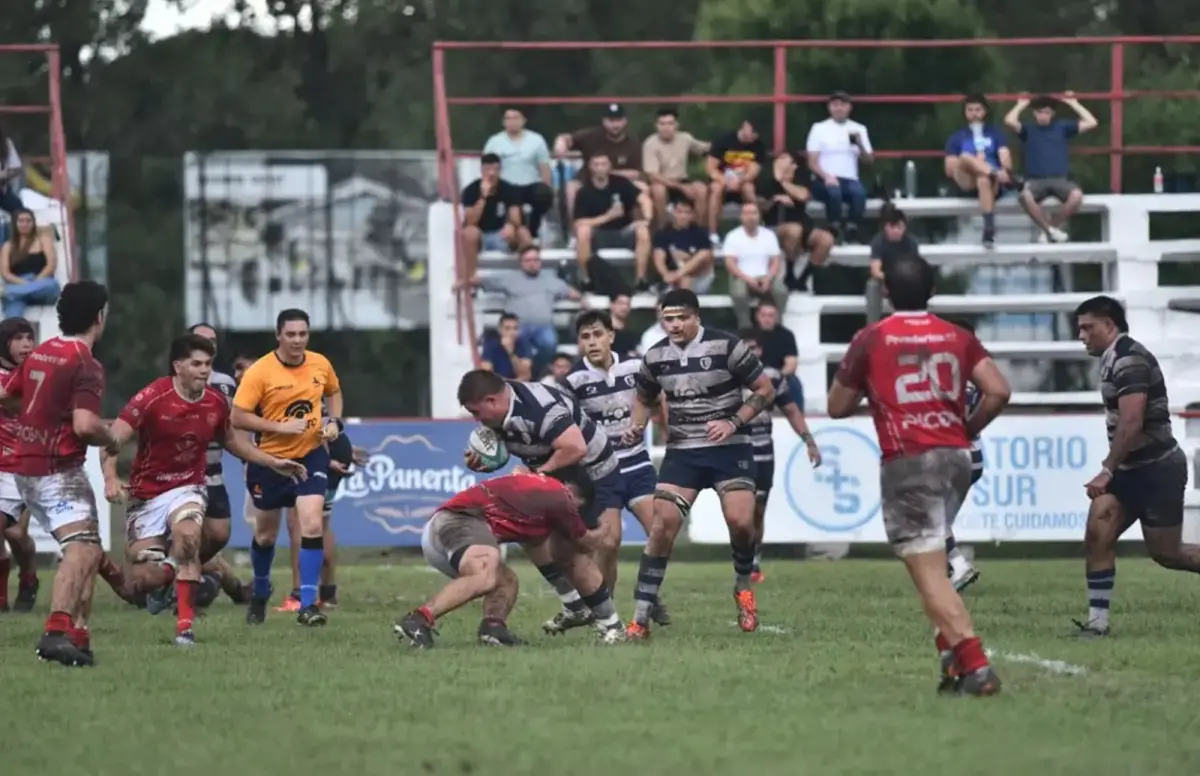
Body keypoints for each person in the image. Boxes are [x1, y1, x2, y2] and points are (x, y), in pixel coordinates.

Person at [826, 254, 1009, 696]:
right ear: (932, 293)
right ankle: (951, 664)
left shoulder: (872, 338)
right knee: (934, 564)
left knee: (927, 571)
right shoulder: (958, 335)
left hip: (909, 458)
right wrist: (967, 428)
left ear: (886, 292)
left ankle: (976, 664)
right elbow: (999, 389)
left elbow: (837, 406)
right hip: (958, 457)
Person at [101, 334, 307, 645]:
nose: (203, 370)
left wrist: (273, 462)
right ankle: (122, 568)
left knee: (188, 537)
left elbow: (234, 443)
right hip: (147, 494)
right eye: (196, 364)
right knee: (143, 581)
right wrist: (110, 477)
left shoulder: (215, 402)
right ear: (178, 366)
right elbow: (113, 439)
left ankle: (185, 629)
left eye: (208, 364)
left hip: (188, 486)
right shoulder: (152, 397)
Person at [622, 289, 776, 638]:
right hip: (684, 452)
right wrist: (637, 426)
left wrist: (733, 422)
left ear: (696, 317)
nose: (674, 325)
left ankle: (742, 588)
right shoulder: (656, 356)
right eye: (668, 319)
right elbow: (644, 398)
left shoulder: (727, 346)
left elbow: (765, 390)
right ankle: (640, 619)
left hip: (729, 448)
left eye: (681, 318)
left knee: (740, 523)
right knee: (662, 527)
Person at [456, 369, 624, 641]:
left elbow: (575, 448)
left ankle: (612, 626)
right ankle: (574, 606)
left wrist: (535, 477)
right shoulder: (501, 408)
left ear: (492, 401)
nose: (477, 421)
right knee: (522, 528)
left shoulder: (540, 409)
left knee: (568, 553)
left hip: (591, 474)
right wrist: (483, 461)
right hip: (555, 473)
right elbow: (505, 446)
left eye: (477, 412)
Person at [0, 281, 117, 666]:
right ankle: (56, 631)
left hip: (23, 467)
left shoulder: (43, 351)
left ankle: (79, 638)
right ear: (99, 316)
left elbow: (8, 397)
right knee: (82, 547)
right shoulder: (86, 363)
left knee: (87, 548)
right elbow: (85, 426)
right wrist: (110, 435)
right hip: (58, 470)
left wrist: (39, 417)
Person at [1072, 295, 1200, 638]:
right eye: (1079, 328)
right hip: (1131, 470)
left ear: (1109, 325)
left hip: (1158, 469)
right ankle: (1097, 625)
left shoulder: (1129, 359)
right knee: (1099, 531)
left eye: (1088, 327)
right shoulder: (1114, 358)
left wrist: (1107, 469)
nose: (1081, 335)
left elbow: (1132, 421)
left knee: (1168, 554)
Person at [397, 467, 626, 648]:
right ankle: (419, 618)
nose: (575, 513)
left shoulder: (537, 501)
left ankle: (493, 629)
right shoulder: (559, 494)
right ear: (571, 490)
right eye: (579, 507)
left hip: (445, 530)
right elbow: (584, 543)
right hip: (458, 520)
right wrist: (605, 531)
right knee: (486, 572)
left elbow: (544, 551)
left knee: (507, 581)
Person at [231, 308, 344, 626]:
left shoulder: (320, 363)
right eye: (291, 334)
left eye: (303, 334)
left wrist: (333, 421)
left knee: (311, 525)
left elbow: (334, 392)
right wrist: (279, 428)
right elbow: (238, 417)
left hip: (310, 454)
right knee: (266, 535)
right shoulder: (260, 372)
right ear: (278, 335)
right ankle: (261, 589)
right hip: (270, 460)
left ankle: (308, 603)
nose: (297, 340)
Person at [558, 310, 665, 622]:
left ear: (611, 336)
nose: (592, 342)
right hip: (602, 472)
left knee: (660, 533)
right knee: (610, 542)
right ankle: (606, 612)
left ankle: (647, 595)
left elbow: (651, 401)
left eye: (597, 334)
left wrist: (639, 423)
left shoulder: (635, 367)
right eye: (585, 337)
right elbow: (566, 429)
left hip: (638, 465)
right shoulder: (573, 382)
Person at [739, 329, 821, 583]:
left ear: (760, 351)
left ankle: (753, 560)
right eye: (746, 348)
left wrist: (809, 441)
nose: (750, 353)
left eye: (754, 348)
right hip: (737, 449)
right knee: (741, 510)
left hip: (763, 450)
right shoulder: (725, 377)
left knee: (758, 510)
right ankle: (741, 558)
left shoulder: (772, 378)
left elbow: (792, 411)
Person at [186, 323, 250, 605]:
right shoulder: (174, 380)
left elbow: (235, 425)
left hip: (213, 473)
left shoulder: (225, 383)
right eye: (201, 339)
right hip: (181, 477)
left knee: (218, 535)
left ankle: (204, 579)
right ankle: (203, 584)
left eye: (211, 340)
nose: (207, 344)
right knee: (188, 539)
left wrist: (250, 455)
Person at [943, 94, 1016, 248]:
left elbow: (1006, 158)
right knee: (964, 157)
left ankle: (989, 229)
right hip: (967, 181)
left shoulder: (995, 133)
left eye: (978, 109)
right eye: (970, 110)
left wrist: (1003, 168)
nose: (974, 113)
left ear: (985, 112)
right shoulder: (957, 137)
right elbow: (950, 169)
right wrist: (975, 163)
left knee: (983, 179)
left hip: (990, 184)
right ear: (965, 113)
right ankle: (991, 172)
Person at [0, 316, 38, 612]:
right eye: (19, 338)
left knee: (15, 534)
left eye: (30, 338)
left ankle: (28, 577)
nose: (26, 344)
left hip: (25, 466)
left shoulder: (37, 376)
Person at [1, 208, 61, 318]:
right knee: (13, 312)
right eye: (21, 221)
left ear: (33, 223)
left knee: (52, 285)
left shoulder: (43, 239)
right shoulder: (7, 246)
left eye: (28, 221)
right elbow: (5, 273)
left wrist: (36, 281)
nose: (25, 224)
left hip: (42, 284)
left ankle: (7, 292)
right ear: (15, 223)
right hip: (17, 285)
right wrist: (24, 284)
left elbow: (51, 265)